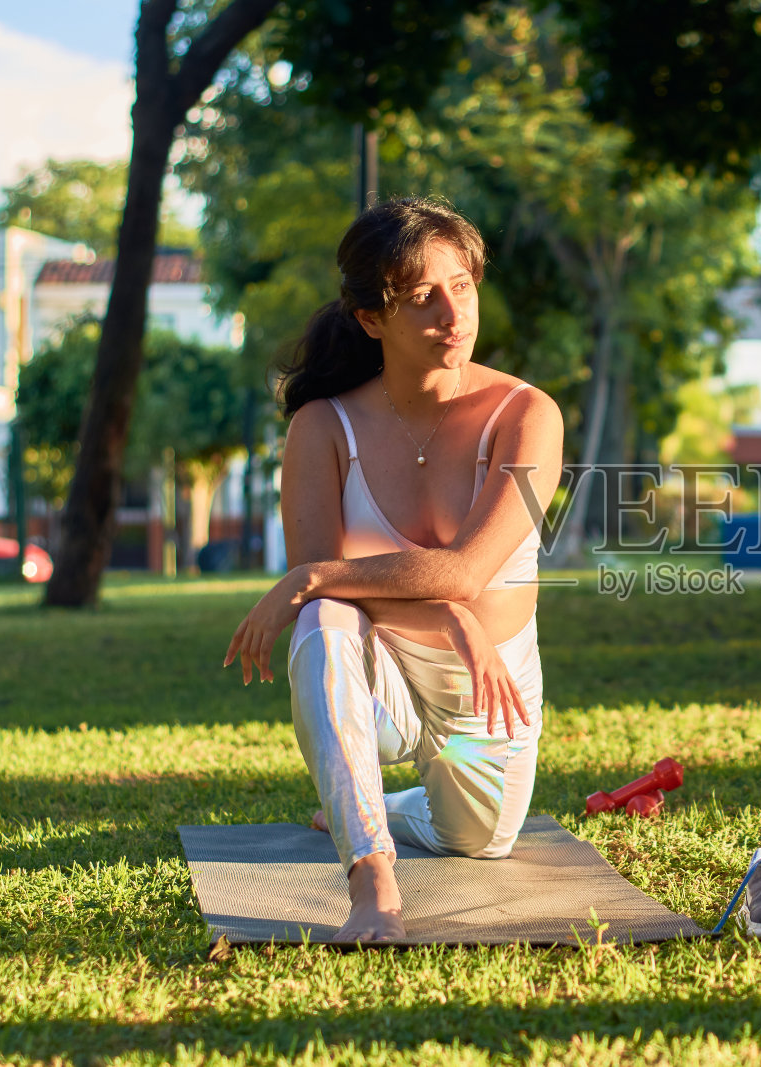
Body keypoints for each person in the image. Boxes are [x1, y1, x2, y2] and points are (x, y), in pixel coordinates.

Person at [223, 197, 564, 942]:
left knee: (479, 840)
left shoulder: (527, 414)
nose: (454, 312)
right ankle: (371, 872)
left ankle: (386, 804)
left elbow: (469, 568)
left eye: (463, 285)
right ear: (371, 318)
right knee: (324, 619)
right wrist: (444, 615)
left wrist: (317, 577)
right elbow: (337, 583)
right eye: (422, 298)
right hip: (380, 681)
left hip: (485, 700)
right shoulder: (325, 426)